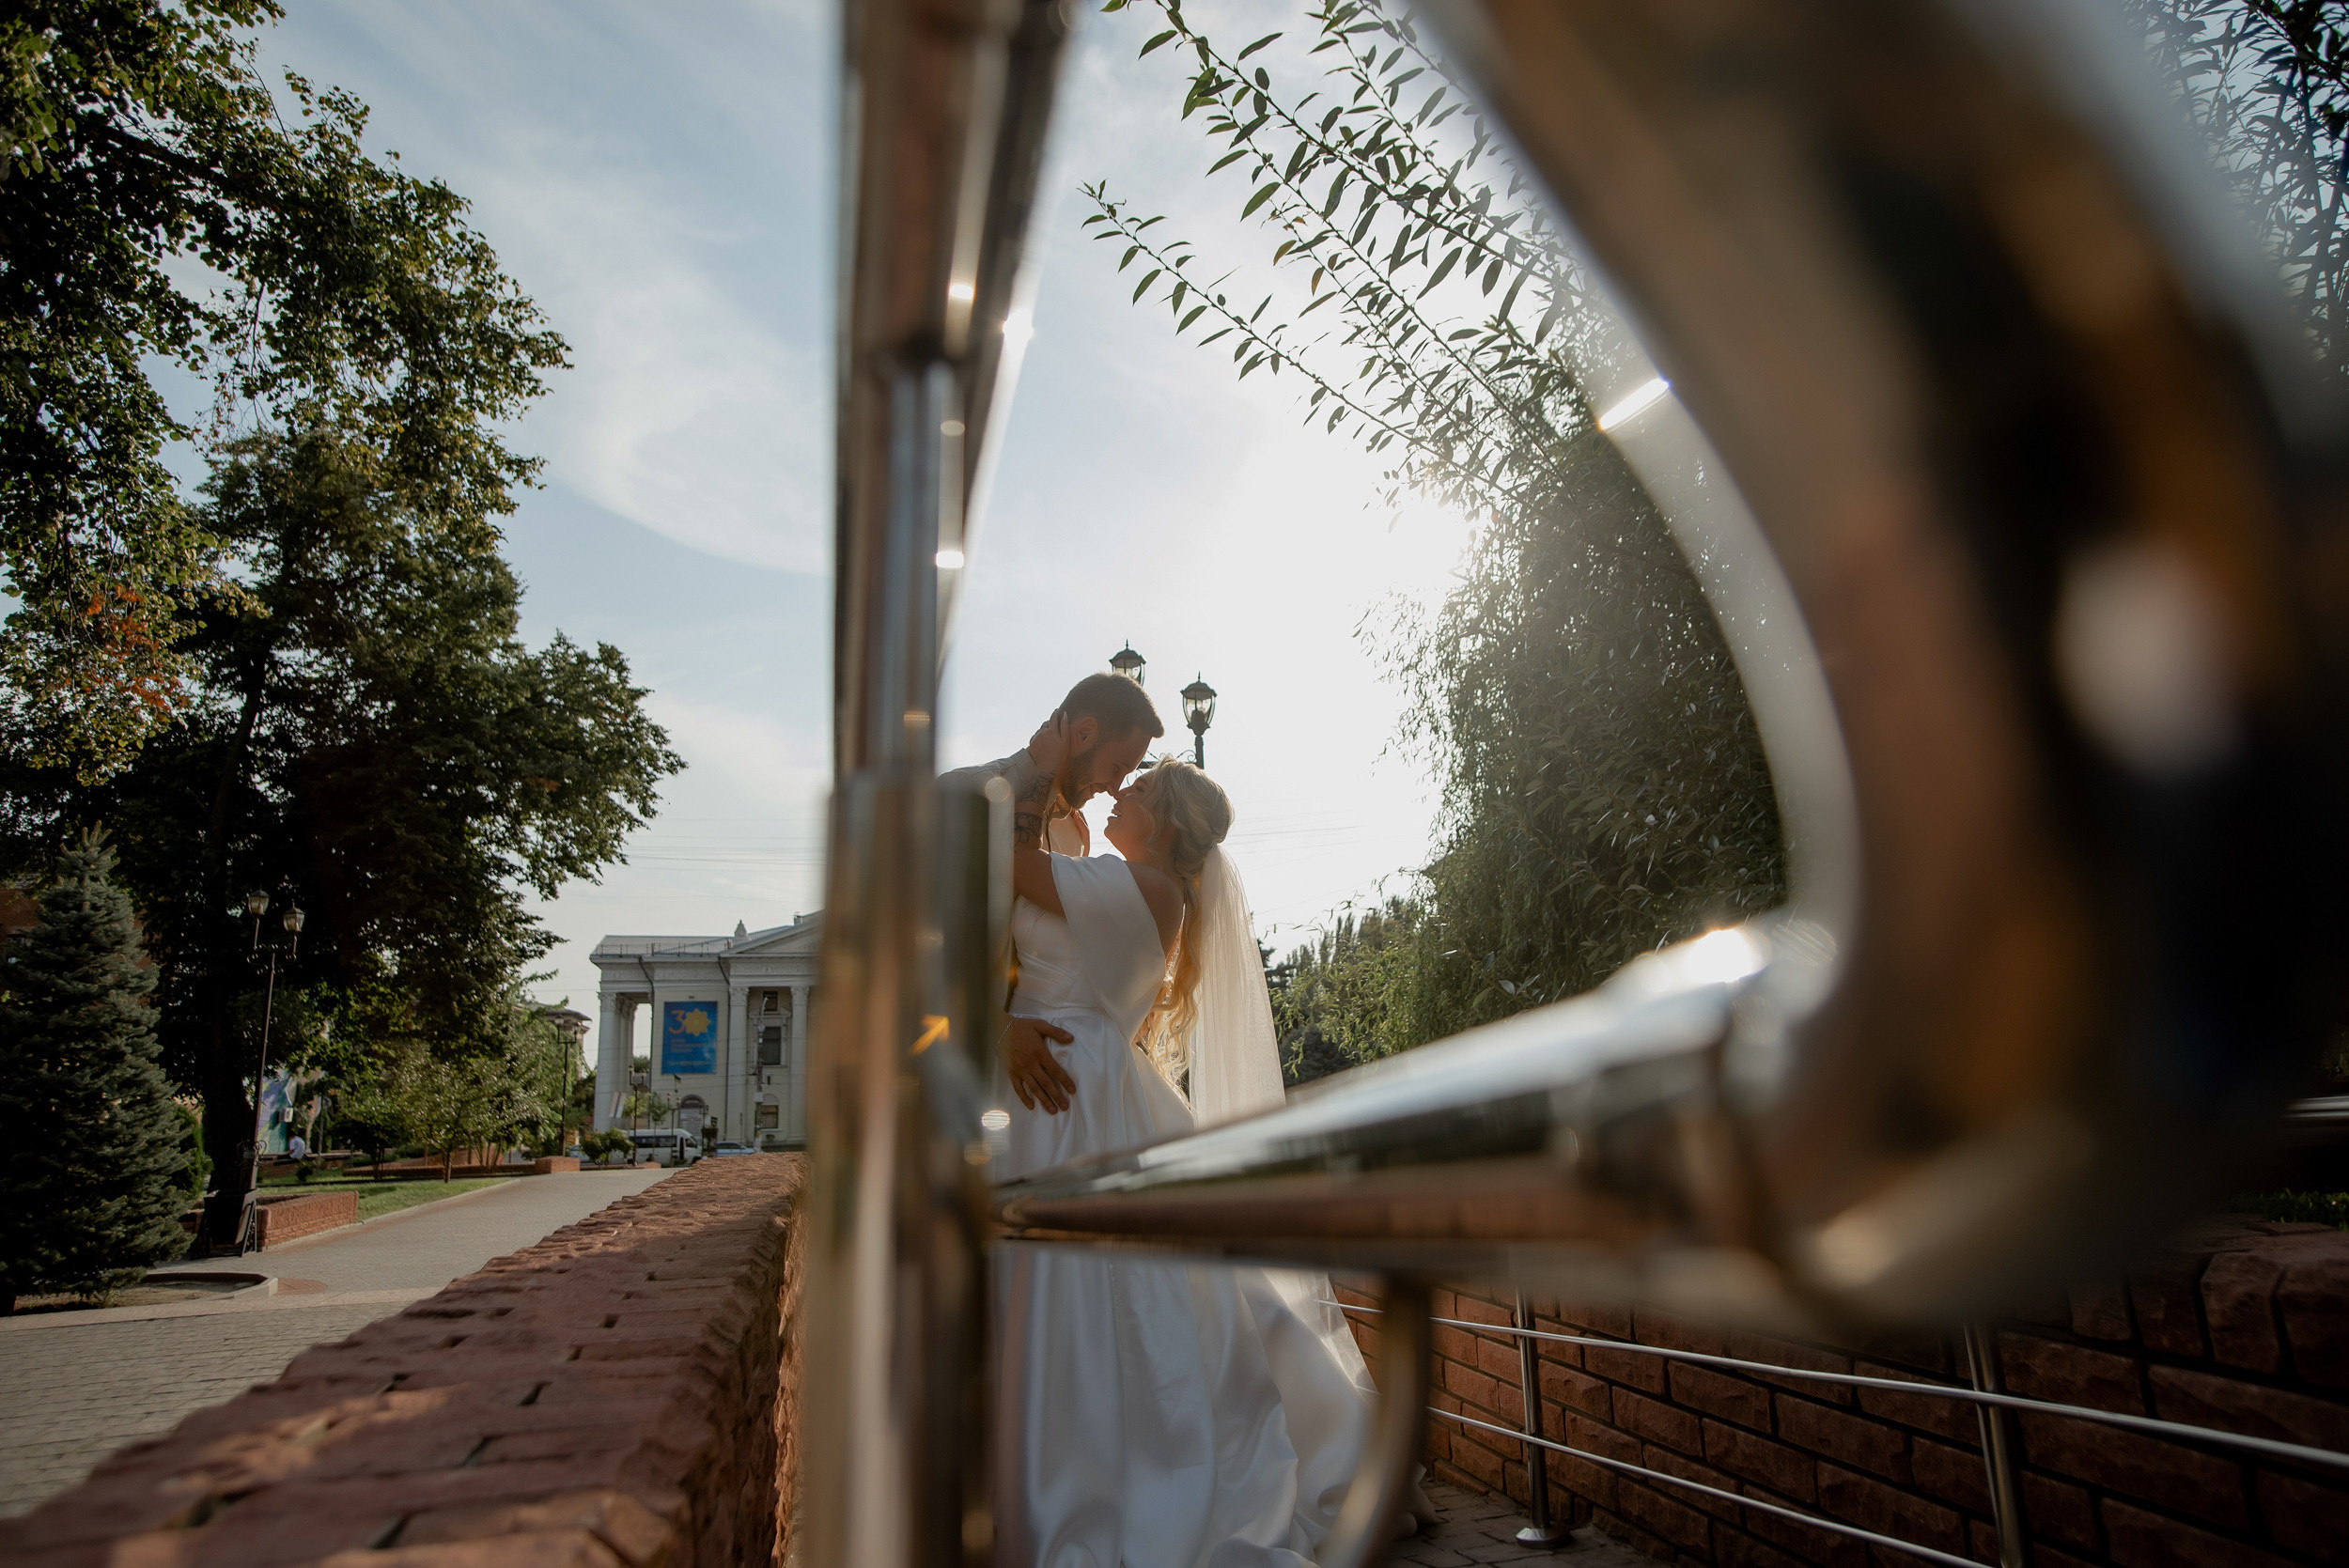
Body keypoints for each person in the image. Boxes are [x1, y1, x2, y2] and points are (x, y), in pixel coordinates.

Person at [992, 733, 1425, 1567]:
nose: (1120, 793)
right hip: (1073, 1087)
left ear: (1163, 822)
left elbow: (1011, 865)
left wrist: (1045, 768)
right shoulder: (1126, 878)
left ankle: (1115, 1478)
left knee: (1122, 1303)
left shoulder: (1145, 886)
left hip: (1084, 1101)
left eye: (1138, 787)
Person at [941, 670, 1164, 1116]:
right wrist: (997, 1030)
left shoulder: (1072, 833)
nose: (1116, 788)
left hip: (1024, 1098)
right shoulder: (963, 797)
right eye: (1118, 767)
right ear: (1083, 733)